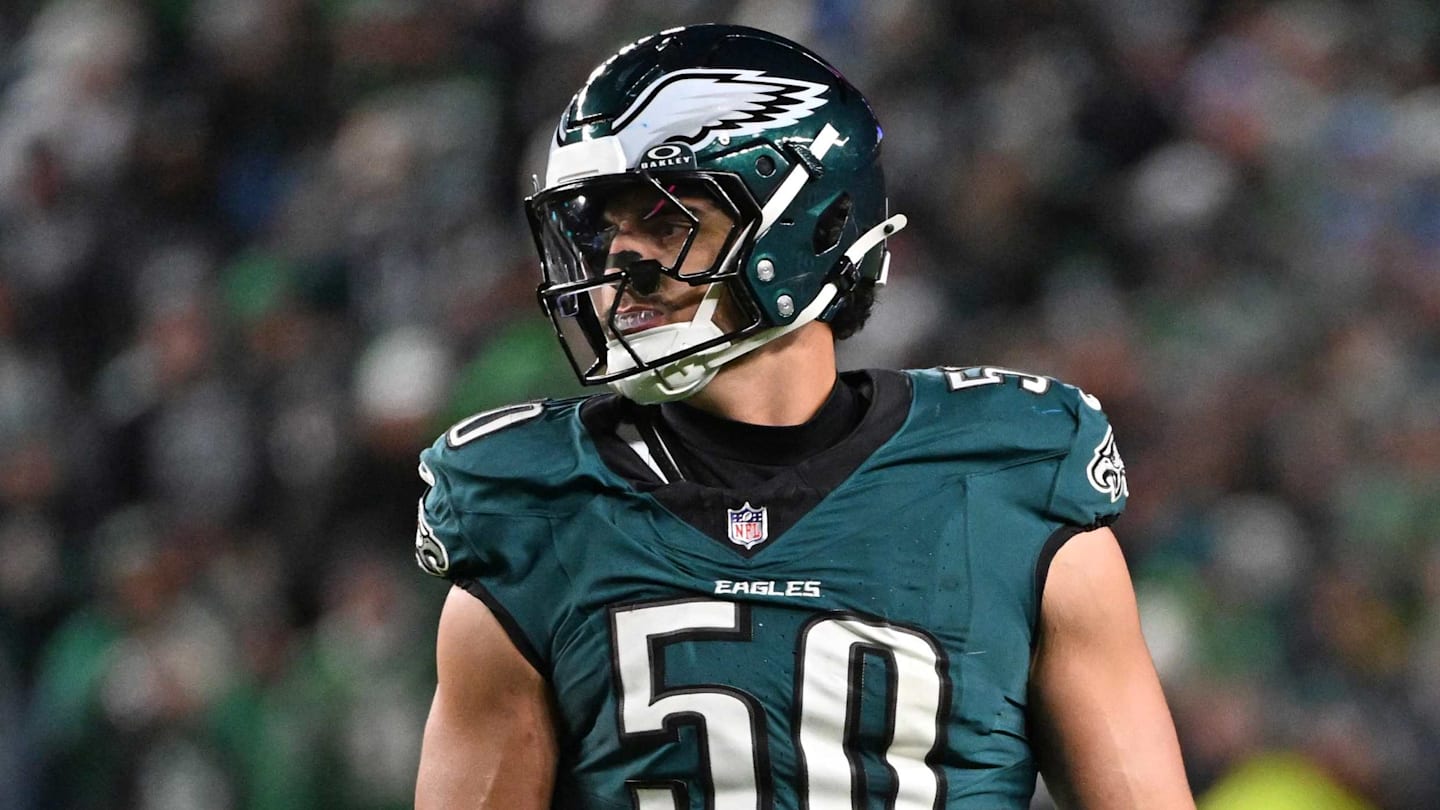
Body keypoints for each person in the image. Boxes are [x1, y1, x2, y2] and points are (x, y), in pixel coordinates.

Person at [412, 23, 1194, 810]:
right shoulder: (532, 515)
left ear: (811, 225)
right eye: (606, 231)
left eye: (666, 222)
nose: (621, 261)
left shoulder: (1007, 485)